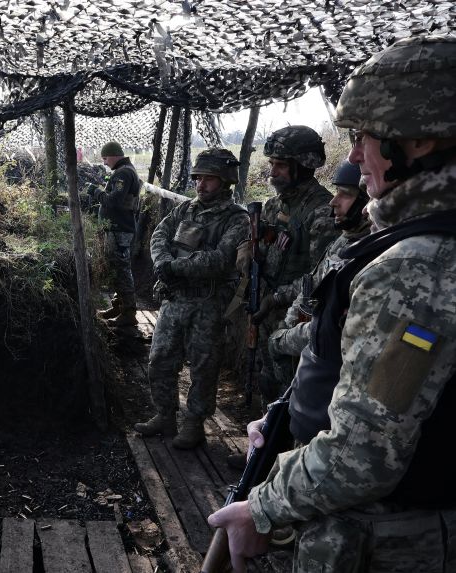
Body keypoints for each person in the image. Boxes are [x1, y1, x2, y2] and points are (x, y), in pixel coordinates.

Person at [208, 35, 456, 572]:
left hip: (385, 539)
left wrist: (262, 509)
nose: (355, 156)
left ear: (419, 140)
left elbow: (363, 453)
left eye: (364, 137)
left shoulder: (415, 266)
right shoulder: (406, 243)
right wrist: (291, 413)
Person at [227, 160, 371, 470]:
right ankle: (266, 454)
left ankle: (279, 464)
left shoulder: (359, 245)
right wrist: (247, 247)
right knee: (273, 388)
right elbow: (313, 283)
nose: (334, 202)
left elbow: (322, 303)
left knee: (299, 409)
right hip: (286, 317)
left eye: (345, 194)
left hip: (313, 345)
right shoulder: (343, 240)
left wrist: (285, 330)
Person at [134, 148, 249, 448]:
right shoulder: (185, 209)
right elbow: (159, 235)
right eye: (198, 178)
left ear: (225, 181)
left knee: (203, 366)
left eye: (209, 179)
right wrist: (162, 262)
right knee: (160, 359)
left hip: (207, 303)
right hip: (174, 299)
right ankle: (164, 415)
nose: (201, 185)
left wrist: (174, 267)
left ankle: (194, 424)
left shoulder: (237, 218)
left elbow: (220, 259)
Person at [253, 125, 339, 406]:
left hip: (296, 319)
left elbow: (319, 278)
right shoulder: (272, 206)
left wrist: (276, 298)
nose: (272, 171)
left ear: (302, 166)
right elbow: (262, 254)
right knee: (267, 382)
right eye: (271, 164)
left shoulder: (323, 212)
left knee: (291, 391)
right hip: (266, 310)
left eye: (280, 165)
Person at [93, 141, 142, 327]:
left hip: (120, 230)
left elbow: (113, 201)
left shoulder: (123, 173)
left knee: (121, 270)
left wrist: (95, 192)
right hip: (118, 229)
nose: (104, 162)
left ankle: (128, 312)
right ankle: (119, 307)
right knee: (116, 268)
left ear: (114, 155)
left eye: (105, 158)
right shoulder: (124, 171)